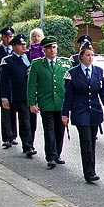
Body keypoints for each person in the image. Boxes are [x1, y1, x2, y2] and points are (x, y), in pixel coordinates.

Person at [62, 41, 104, 182]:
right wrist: (65, 113)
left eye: (92, 55)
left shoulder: (99, 72)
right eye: (87, 55)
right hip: (80, 111)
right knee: (86, 141)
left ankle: (92, 168)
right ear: (81, 57)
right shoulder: (72, 73)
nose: (90, 58)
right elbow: (68, 96)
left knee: (92, 142)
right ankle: (89, 172)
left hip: (94, 111)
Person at [27, 36, 73, 169]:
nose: (52, 50)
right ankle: (51, 156)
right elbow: (31, 85)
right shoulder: (37, 64)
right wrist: (32, 102)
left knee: (60, 129)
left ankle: (57, 153)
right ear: (44, 50)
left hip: (61, 103)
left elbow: (70, 86)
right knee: (49, 129)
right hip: (46, 103)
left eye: (54, 47)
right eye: (48, 48)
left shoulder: (65, 63)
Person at [0, 33, 36, 158]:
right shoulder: (8, 61)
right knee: (25, 121)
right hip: (19, 95)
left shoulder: (30, 58)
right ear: (14, 46)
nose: (23, 47)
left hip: (32, 96)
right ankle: (28, 146)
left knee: (33, 122)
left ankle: (31, 142)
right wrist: (4, 97)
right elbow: (2, 81)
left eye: (24, 44)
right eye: (20, 45)